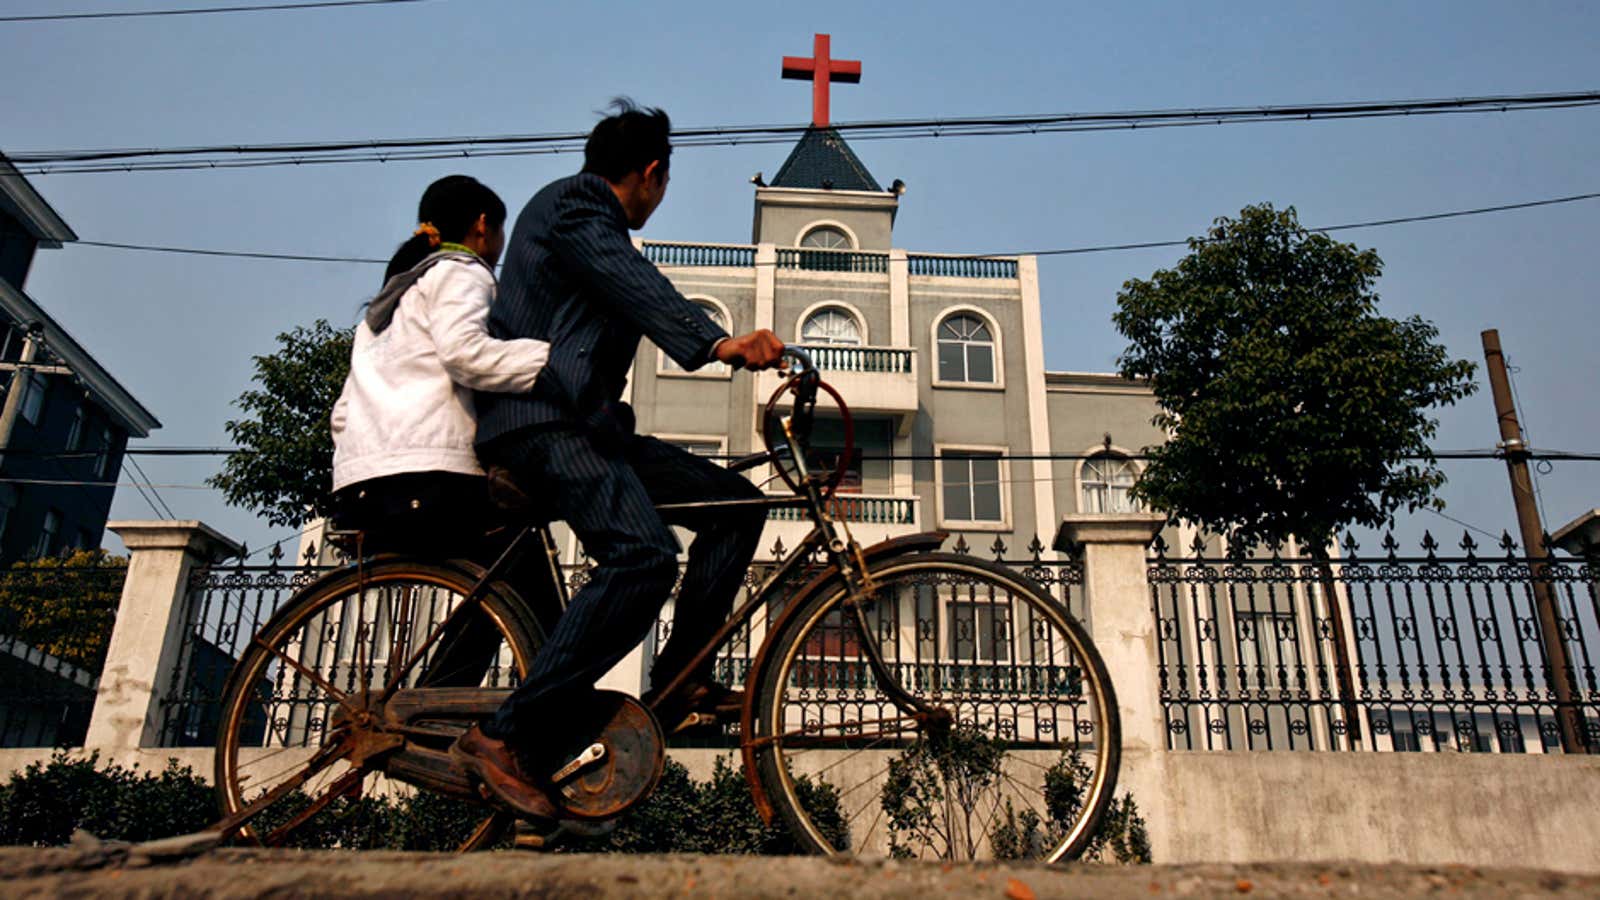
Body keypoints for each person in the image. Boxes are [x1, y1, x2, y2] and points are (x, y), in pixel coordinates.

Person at [450, 100, 785, 818]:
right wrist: (718, 342)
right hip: (540, 422)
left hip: (587, 428)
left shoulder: (588, 228)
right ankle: (503, 736)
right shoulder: (574, 205)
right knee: (642, 557)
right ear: (652, 172)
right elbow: (635, 285)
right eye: (662, 186)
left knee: (737, 505)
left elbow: (625, 290)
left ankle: (682, 680)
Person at [330, 175, 552, 684]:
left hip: (363, 488)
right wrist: (556, 361)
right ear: (482, 225)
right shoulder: (461, 272)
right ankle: (465, 709)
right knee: (527, 582)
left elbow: (341, 414)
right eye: (500, 231)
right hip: (433, 482)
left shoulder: (383, 310)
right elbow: (465, 354)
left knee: (501, 585)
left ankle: (437, 706)